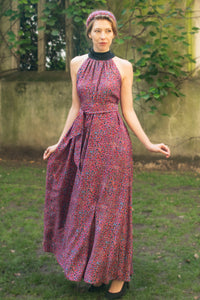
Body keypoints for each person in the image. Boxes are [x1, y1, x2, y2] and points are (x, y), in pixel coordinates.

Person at [43, 10, 170, 299]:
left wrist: (148, 144)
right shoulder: (77, 64)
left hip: (114, 144)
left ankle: (118, 276)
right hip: (85, 144)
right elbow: (75, 107)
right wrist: (60, 141)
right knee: (86, 208)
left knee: (112, 211)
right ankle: (96, 272)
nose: (103, 36)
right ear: (88, 33)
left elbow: (128, 110)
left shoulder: (123, 66)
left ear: (114, 34)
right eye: (98, 31)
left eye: (108, 31)